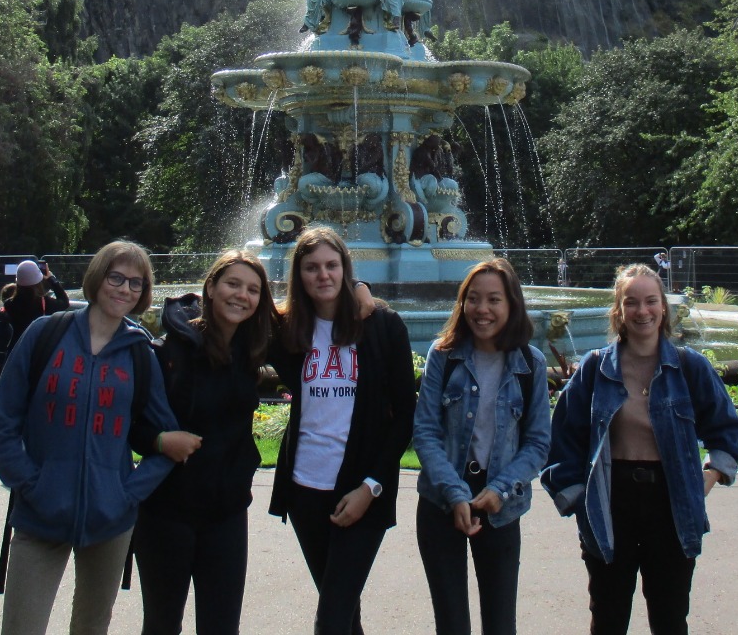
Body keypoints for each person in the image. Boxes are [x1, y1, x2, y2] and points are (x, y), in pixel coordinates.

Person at [0, 240, 180, 635]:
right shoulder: (46, 334)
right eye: (116, 278)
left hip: (110, 521)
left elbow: (167, 436)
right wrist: (30, 482)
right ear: (97, 278)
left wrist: (127, 493)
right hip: (40, 514)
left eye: (136, 284)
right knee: (21, 628)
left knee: (91, 628)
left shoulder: (140, 353)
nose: (124, 289)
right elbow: (2, 422)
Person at [542, 264, 738, 635]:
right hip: (611, 502)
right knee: (608, 618)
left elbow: (726, 429)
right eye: (631, 302)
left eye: (651, 301)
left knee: (669, 620)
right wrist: (576, 497)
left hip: (672, 505)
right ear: (618, 311)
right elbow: (563, 438)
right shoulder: (595, 368)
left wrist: (709, 477)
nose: (642, 311)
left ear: (663, 308)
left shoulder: (689, 367)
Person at [268, 225, 416, 635]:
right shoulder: (287, 333)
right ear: (298, 276)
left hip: (361, 491)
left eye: (332, 265)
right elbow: (237, 300)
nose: (323, 275)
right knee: (344, 613)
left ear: (346, 269)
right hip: (304, 490)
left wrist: (371, 487)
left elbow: (406, 414)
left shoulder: (383, 327)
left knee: (331, 619)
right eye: (311, 267)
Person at [131, 249, 278, 635]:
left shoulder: (250, 348)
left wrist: (360, 289)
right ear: (210, 287)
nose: (241, 295)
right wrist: (161, 441)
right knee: (162, 626)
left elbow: (315, 315)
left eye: (252, 289)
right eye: (232, 284)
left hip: (226, 513)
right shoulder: (169, 350)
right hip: (167, 511)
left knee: (221, 627)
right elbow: (131, 423)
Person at [413, 259, 552, 635]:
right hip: (442, 500)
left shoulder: (530, 364)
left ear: (512, 305)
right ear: (462, 304)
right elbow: (425, 431)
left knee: (500, 623)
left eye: (494, 299)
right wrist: (456, 494)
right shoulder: (443, 355)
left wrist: (501, 489)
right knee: (452, 624)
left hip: (500, 504)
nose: (482, 309)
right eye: (473, 299)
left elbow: (539, 441)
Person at [7, 259, 70, 347]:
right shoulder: (45, 303)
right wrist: (52, 279)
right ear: (38, 281)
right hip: (37, 348)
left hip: (17, 347)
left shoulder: (9, 304)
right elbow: (65, 302)